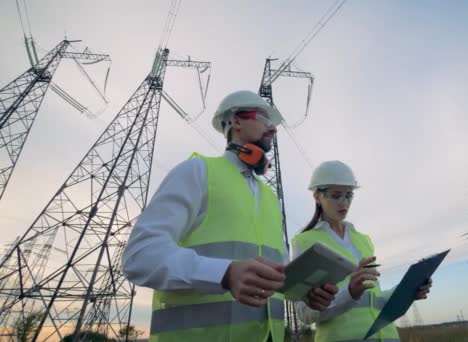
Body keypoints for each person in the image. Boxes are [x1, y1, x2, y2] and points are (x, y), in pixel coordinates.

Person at [122, 90, 337, 342]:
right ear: (236, 121)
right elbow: (140, 256)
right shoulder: (197, 171)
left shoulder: (269, 198)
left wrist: (304, 293)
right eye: (265, 119)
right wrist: (224, 273)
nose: (273, 129)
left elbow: (275, 278)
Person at [292, 160, 433, 342]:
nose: (344, 203)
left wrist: (408, 291)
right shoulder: (305, 241)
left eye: (349, 195)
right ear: (317, 196)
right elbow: (305, 314)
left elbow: (375, 301)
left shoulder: (363, 240)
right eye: (336, 195)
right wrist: (349, 292)